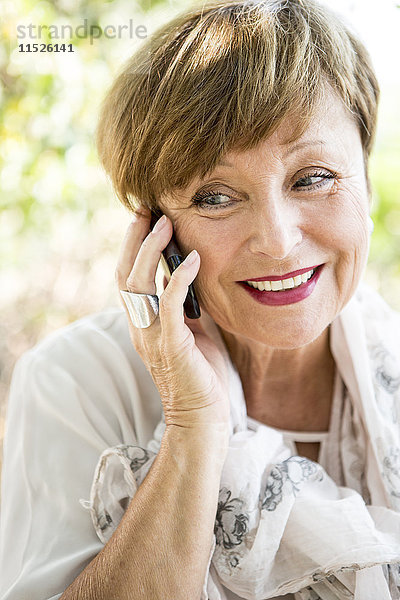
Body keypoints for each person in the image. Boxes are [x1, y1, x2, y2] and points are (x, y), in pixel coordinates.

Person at [2, 0, 400, 598]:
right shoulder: (74, 384)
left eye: (313, 177)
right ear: (156, 230)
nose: (278, 242)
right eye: (215, 196)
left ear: (365, 181)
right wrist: (194, 427)